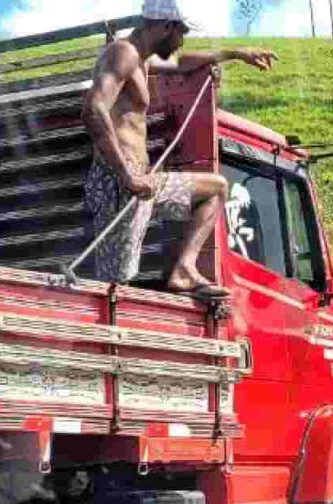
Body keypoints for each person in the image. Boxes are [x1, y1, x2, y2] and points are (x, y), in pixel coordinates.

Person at [82, 0, 277, 299]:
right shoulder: (123, 53)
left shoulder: (142, 59)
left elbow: (181, 62)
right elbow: (94, 109)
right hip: (119, 184)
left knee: (215, 188)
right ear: (166, 27)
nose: (182, 40)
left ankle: (184, 269)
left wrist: (236, 54)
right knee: (115, 287)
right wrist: (127, 177)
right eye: (181, 32)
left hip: (141, 183)